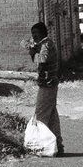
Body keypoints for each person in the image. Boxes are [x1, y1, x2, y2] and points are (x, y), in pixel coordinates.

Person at [27, 21, 63, 156]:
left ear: (43, 33)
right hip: (50, 84)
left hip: (47, 84)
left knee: (41, 115)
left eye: (36, 33)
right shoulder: (44, 44)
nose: (34, 36)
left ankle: (41, 146)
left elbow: (42, 59)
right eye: (32, 34)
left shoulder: (46, 44)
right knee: (52, 116)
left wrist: (33, 52)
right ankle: (57, 145)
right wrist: (34, 50)